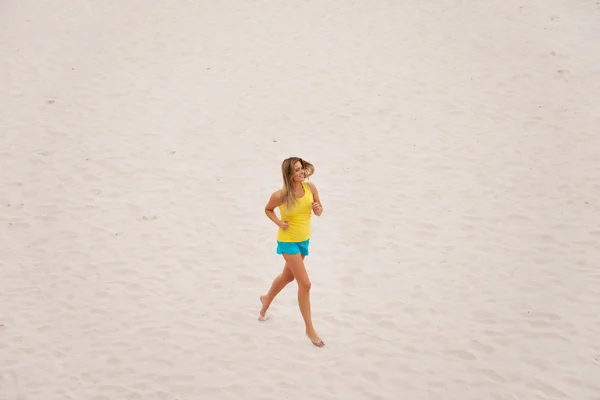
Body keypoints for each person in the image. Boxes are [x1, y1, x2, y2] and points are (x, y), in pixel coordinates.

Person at [259, 157, 325, 347]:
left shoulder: (310, 189)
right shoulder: (280, 195)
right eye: (297, 170)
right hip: (288, 242)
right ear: (289, 174)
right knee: (305, 284)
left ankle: (266, 299)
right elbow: (268, 209)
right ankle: (309, 329)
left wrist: (318, 208)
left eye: (302, 168)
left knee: (287, 277)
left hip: (304, 241)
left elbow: (319, 212)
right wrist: (279, 222)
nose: (301, 172)